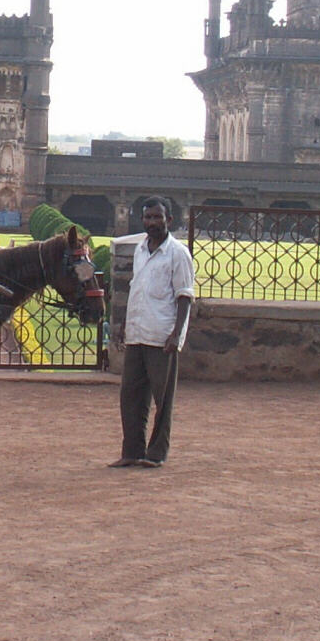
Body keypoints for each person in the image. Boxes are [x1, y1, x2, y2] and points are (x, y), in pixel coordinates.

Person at [110, 198, 195, 469]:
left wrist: (176, 335)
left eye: (157, 217)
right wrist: (125, 323)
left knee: (162, 399)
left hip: (162, 335)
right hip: (137, 332)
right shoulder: (140, 251)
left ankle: (156, 452)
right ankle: (132, 450)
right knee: (131, 396)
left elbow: (184, 297)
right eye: (147, 217)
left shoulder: (178, 254)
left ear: (169, 220)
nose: (151, 223)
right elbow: (137, 288)